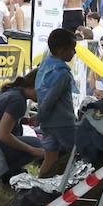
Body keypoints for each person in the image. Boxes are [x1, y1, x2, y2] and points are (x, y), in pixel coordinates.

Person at [0, 71, 45, 188]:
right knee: (41, 145)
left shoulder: (10, 91)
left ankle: (5, 173)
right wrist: (31, 150)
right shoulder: (18, 100)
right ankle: (1, 175)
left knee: (21, 134)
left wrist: (22, 120)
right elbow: (3, 135)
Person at [36, 27, 79, 177]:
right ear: (62, 51)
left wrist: (40, 117)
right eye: (72, 49)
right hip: (63, 123)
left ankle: (39, 186)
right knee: (75, 154)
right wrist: (39, 116)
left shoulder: (44, 66)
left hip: (47, 123)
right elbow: (51, 98)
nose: (74, 53)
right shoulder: (62, 74)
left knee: (50, 158)